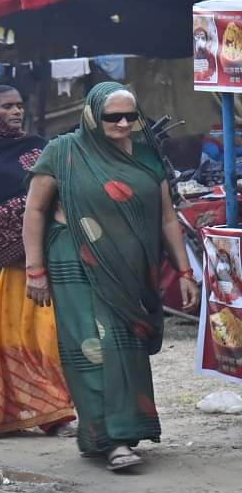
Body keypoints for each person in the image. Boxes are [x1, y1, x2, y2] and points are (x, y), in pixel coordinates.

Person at [24, 83, 199, 471]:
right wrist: (34, 269)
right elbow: (34, 211)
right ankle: (113, 441)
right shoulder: (64, 152)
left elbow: (168, 216)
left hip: (132, 269)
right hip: (76, 259)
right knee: (94, 348)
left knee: (126, 348)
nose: (122, 123)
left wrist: (185, 270)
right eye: (112, 117)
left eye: (130, 116)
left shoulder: (149, 156)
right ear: (91, 116)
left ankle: (115, 433)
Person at [0, 85, 75, 436]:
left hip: (37, 259)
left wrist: (45, 214)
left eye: (19, 105)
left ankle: (51, 412)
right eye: (7, 106)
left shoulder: (39, 147)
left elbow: (55, 192)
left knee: (41, 334)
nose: (16, 112)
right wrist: (35, 211)